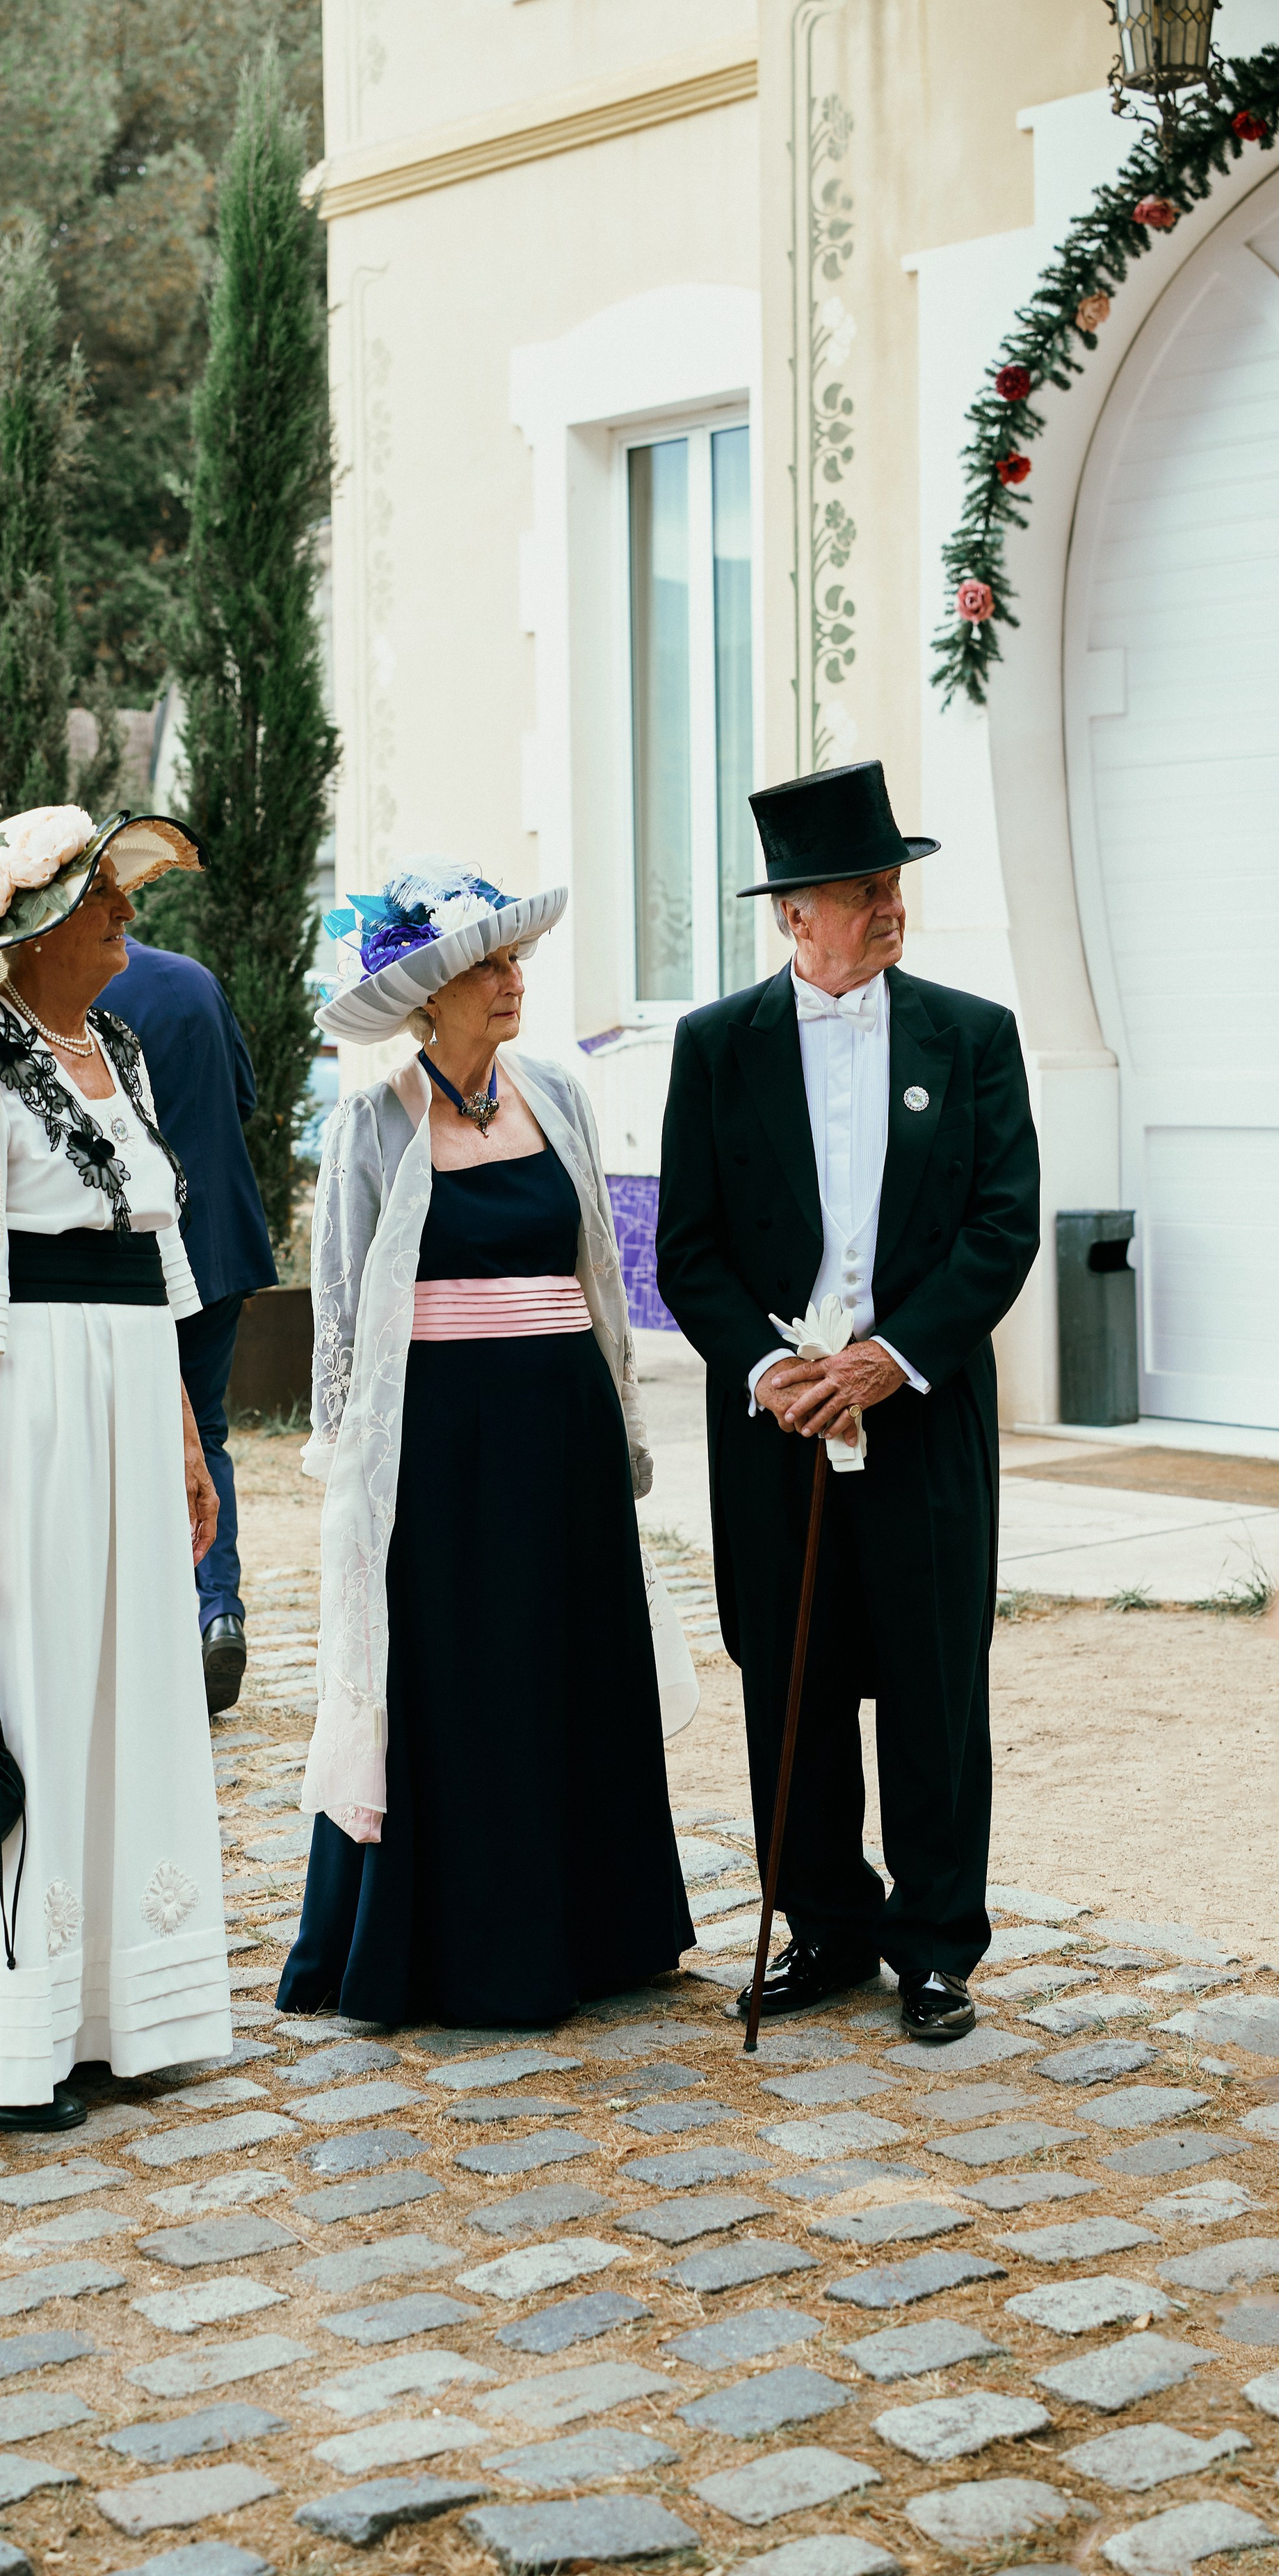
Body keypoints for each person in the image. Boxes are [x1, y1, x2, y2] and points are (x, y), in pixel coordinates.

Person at [655, 761, 1040, 2043]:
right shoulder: (716, 1046)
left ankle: (936, 1946)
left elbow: (1001, 1228)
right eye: (861, 889)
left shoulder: (972, 1036)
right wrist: (774, 1375)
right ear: (793, 915)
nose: (889, 906)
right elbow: (690, 1251)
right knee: (796, 1676)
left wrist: (894, 1357)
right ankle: (823, 1922)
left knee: (936, 1678)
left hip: (919, 1408)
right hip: (779, 1421)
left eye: (892, 883)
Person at [277, 855, 694, 2027]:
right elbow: (349, 1308)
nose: (513, 982)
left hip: (559, 1429)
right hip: (446, 1447)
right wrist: (351, 1466)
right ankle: (468, 1946)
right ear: (429, 994)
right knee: (465, 1676)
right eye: (489, 967)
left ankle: (603, 1929)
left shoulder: (557, 1093)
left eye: (516, 963)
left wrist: (615, 1427)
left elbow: (597, 1272)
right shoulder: (371, 1123)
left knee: (572, 1663)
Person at [0, 803, 232, 2130]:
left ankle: (116, 2012)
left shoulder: (121, 1053)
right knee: (26, 1689)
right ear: (37, 932)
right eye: (104, 902)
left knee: (126, 1690)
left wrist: (190, 1445)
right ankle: (0, 2032)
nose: (128, 919)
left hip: (131, 1414)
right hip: (27, 1426)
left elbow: (161, 1256)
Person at [97, 937, 277, 1714]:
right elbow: (242, 1098)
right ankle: (218, 1612)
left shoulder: (65, 994)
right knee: (203, 1434)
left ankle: (146, 1638)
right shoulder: (195, 979)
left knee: (118, 1447)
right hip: (219, 1242)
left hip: (126, 1256)